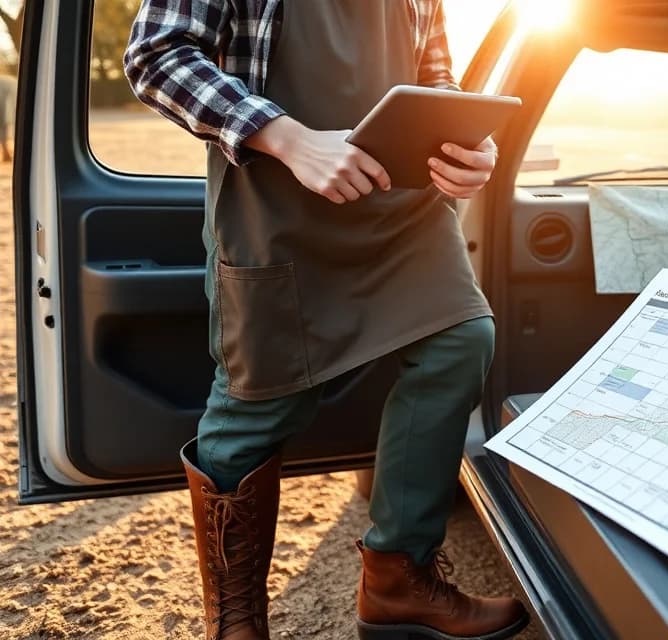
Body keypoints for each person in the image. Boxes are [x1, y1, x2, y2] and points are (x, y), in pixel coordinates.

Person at [123, 2, 528, 639]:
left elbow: (436, 79)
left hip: (404, 213)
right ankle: (236, 622)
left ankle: (399, 579)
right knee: (254, 407)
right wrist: (291, 138)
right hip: (273, 209)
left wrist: (469, 146)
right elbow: (156, 57)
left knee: (460, 341)